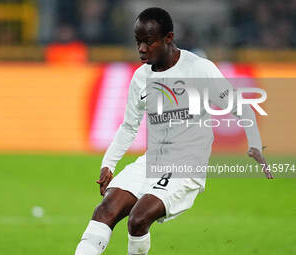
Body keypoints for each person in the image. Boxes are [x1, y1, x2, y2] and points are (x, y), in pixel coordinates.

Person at [74, 7, 272, 255]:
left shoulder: (199, 70)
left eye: (148, 42)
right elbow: (129, 126)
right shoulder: (140, 78)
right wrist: (109, 163)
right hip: (151, 161)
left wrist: (254, 144)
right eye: (138, 42)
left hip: (186, 166)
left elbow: (242, 109)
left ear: (168, 38)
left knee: (138, 219)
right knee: (104, 211)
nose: (142, 49)